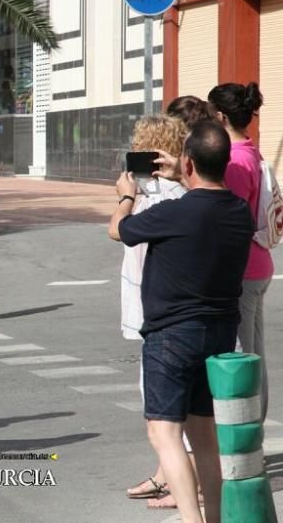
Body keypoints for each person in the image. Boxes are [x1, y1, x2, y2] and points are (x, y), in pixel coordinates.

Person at [109, 121, 254, 523]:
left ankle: (192, 520)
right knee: (203, 436)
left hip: (171, 334)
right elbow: (208, 201)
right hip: (220, 333)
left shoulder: (172, 213)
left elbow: (117, 230)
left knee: (163, 432)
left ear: (188, 162)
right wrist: (185, 174)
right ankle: (214, 519)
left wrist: (126, 197)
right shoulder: (238, 211)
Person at [119, 115, 191, 510]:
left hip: (159, 311)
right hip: (172, 308)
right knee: (177, 409)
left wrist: (125, 199)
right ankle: (167, 476)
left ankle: (184, 493)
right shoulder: (186, 192)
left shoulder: (159, 198)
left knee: (163, 414)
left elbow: (121, 231)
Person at [208, 82, 273, 422]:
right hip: (258, 264)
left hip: (241, 270)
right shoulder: (252, 151)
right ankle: (253, 430)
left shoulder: (233, 162)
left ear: (220, 116)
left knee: (240, 354)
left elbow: (227, 218)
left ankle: (243, 432)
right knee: (253, 352)